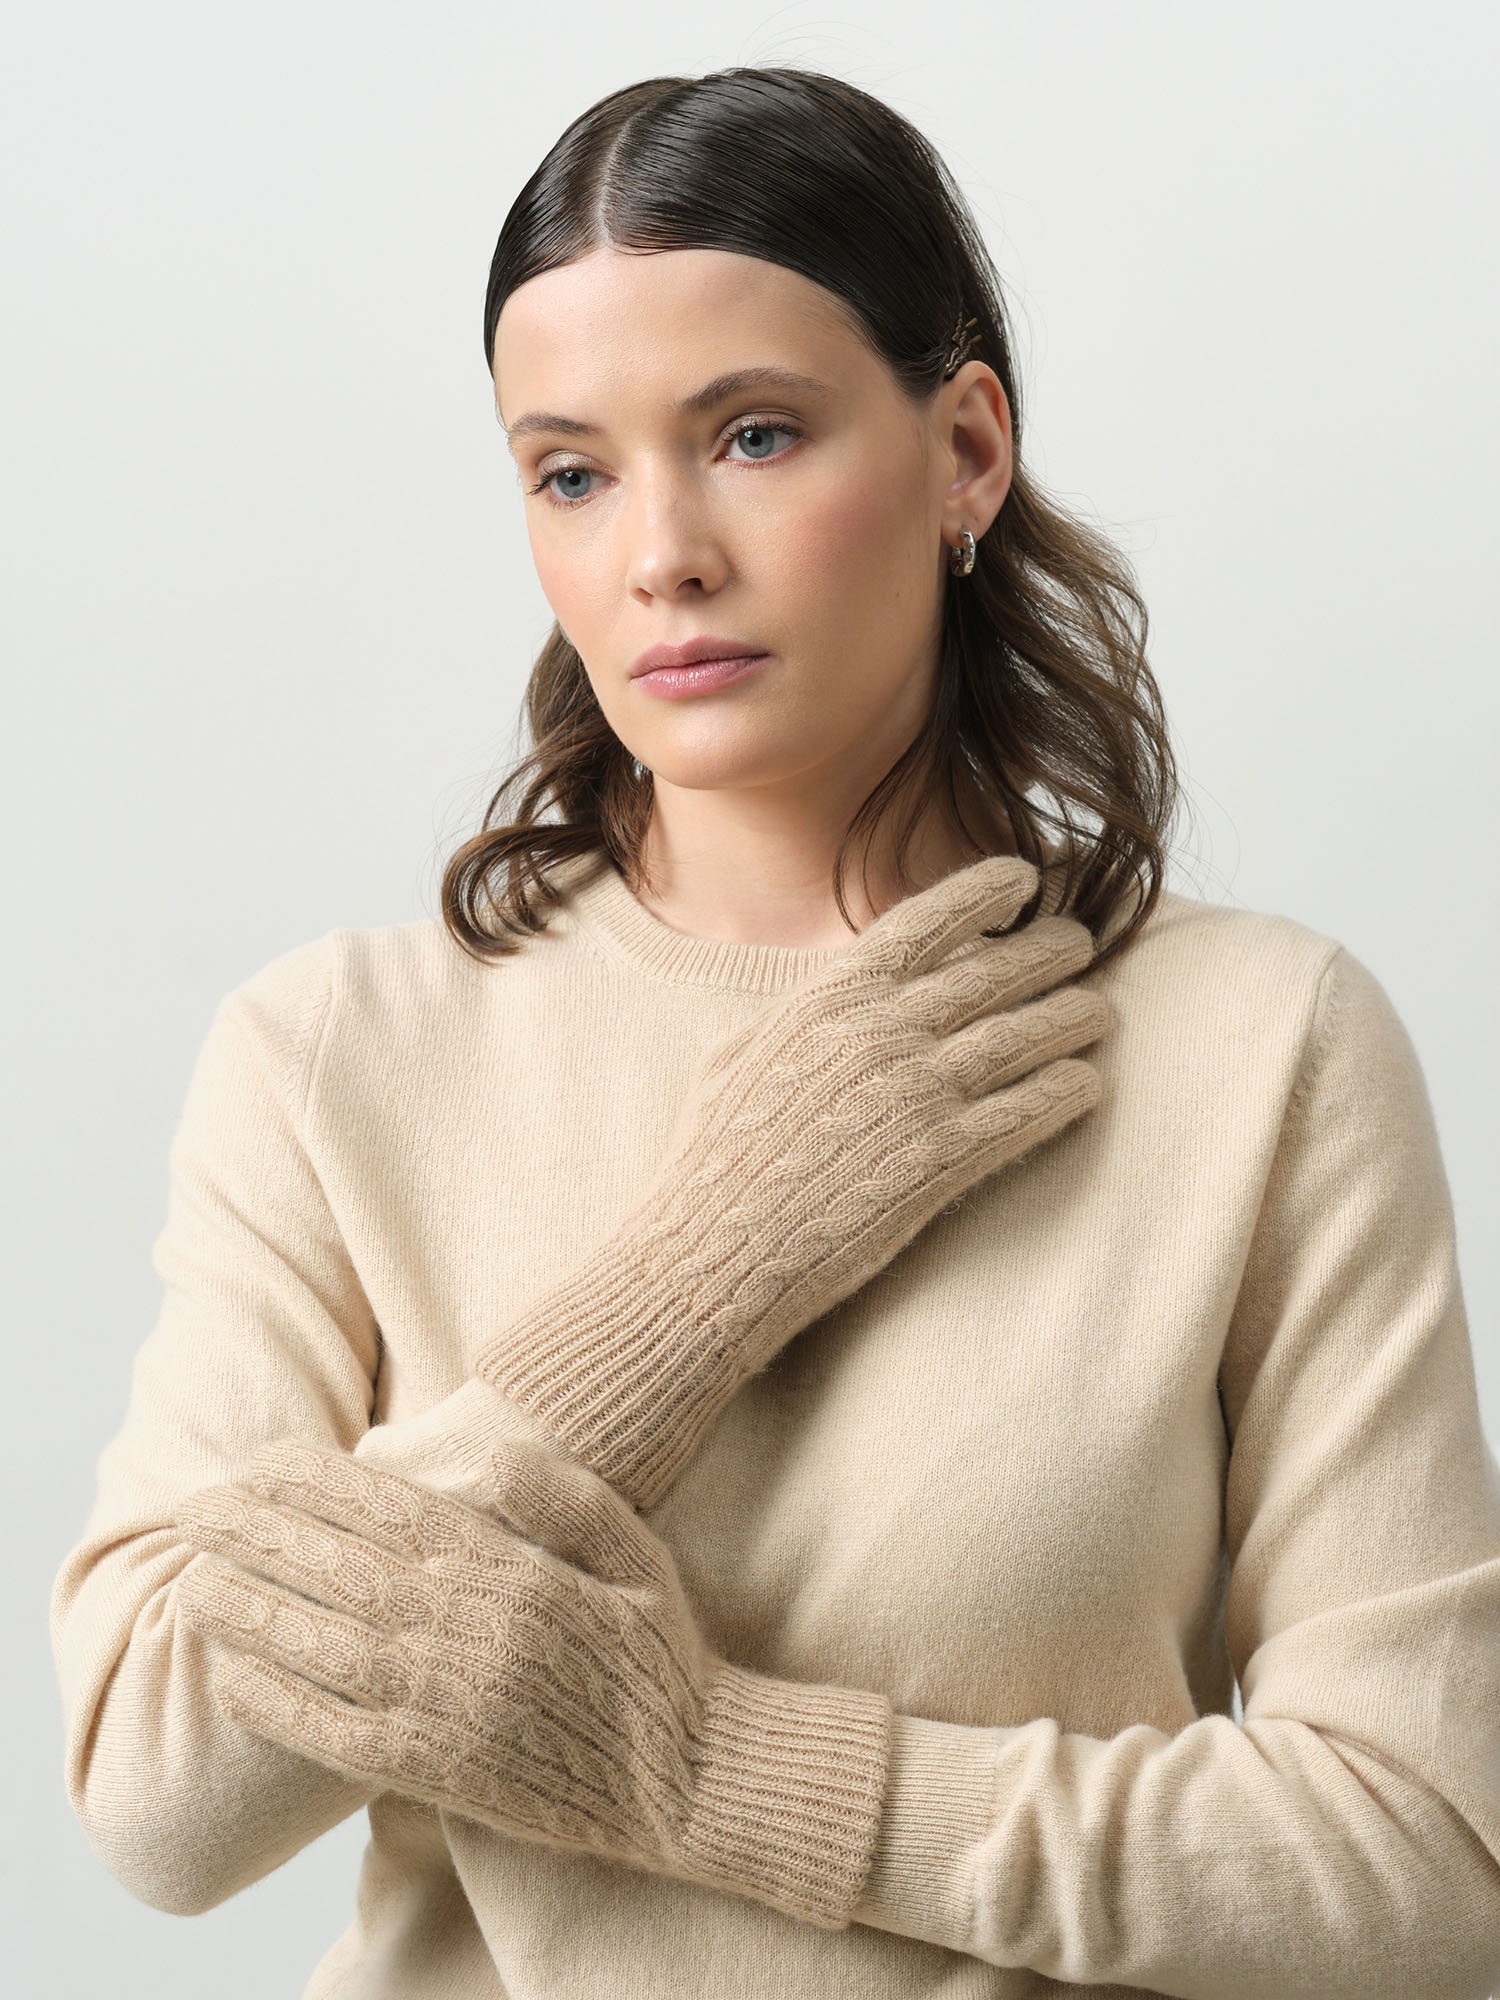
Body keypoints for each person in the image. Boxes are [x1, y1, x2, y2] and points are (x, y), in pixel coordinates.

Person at [51, 66, 1500, 2000]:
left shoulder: (1259, 1044)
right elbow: (161, 1801)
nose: (660, 552)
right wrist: (703, 1271)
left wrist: (708, 1772)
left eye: (752, 435)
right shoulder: (337, 1054)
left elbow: (1431, 1865)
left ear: (965, 449)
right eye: (571, 474)